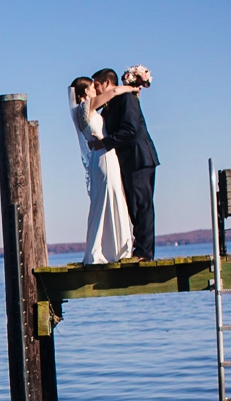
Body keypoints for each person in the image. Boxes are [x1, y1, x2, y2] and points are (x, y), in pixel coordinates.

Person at [90, 66, 158, 260]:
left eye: (97, 85)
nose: (95, 90)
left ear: (108, 83)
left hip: (139, 157)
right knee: (133, 206)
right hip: (127, 161)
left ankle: (145, 253)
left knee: (142, 205)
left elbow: (129, 129)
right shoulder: (109, 105)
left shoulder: (127, 99)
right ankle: (139, 249)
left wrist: (104, 143)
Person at [69, 76, 135, 264]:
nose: (95, 91)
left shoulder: (81, 111)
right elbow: (112, 92)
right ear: (84, 93)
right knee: (110, 198)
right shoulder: (85, 107)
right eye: (92, 87)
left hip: (102, 157)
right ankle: (108, 250)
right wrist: (131, 88)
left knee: (107, 199)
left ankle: (108, 249)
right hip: (104, 157)